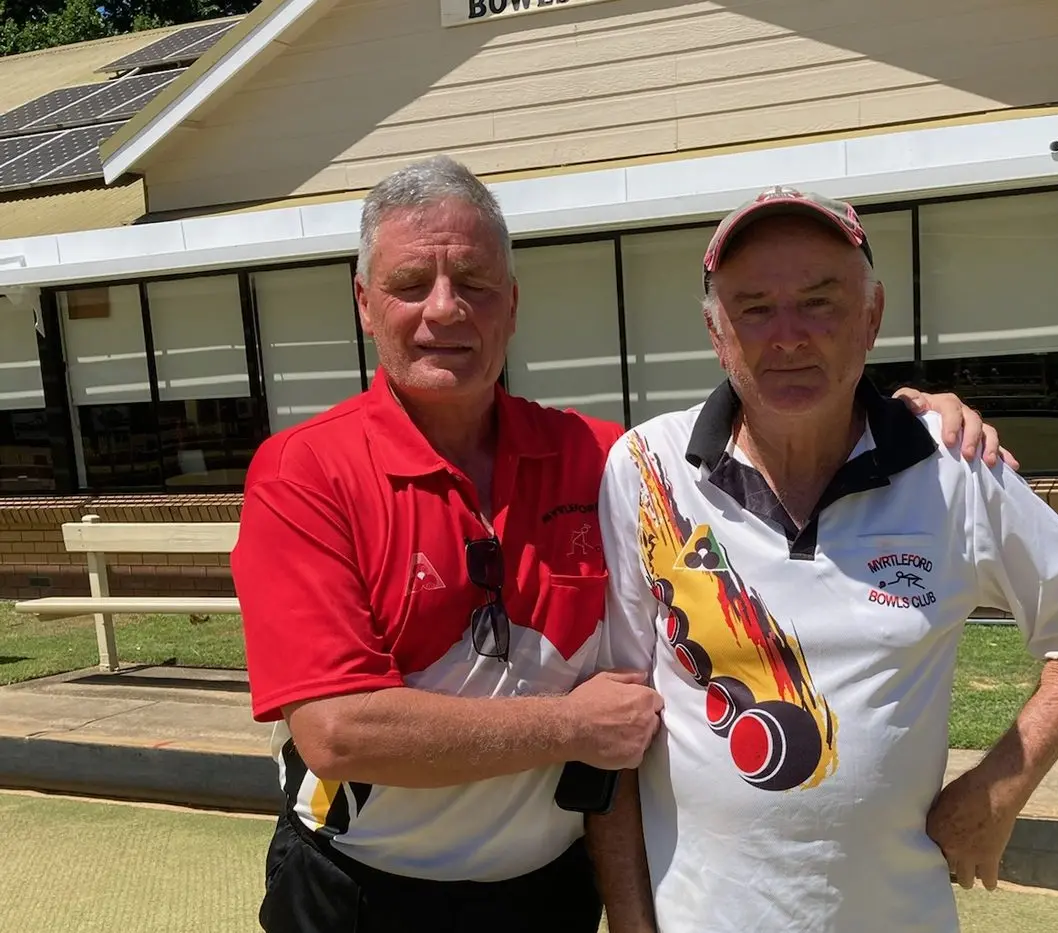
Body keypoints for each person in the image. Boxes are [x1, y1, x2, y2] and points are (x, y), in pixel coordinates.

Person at [229, 157, 1014, 933]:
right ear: (366, 304)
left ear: (511, 302)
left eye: (473, 283)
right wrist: (571, 727)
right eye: (410, 285)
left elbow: (759, 419)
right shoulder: (304, 472)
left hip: (552, 894)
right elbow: (337, 732)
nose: (445, 309)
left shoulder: (604, 458)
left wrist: (889, 416)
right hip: (358, 892)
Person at [589, 185, 1058, 933]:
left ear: (872, 317)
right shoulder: (645, 470)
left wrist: (997, 789)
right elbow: (618, 725)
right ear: (717, 333)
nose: (788, 334)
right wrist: (631, 923)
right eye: (754, 307)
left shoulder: (954, 469)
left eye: (821, 301)